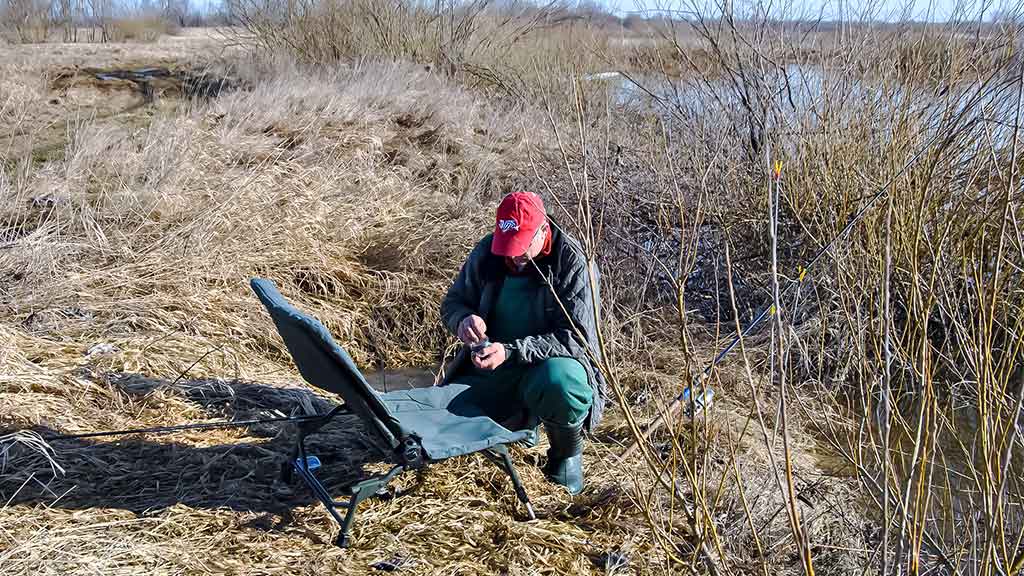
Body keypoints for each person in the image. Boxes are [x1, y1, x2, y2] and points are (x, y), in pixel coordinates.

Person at [439, 191, 607, 495]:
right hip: (493, 368)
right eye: (507, 247)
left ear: (543, 231)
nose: (512, 256)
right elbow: (453, 302)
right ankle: (519, 426)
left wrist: (512, 351)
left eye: (520, 247)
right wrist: (463, 320)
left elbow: (577, 338)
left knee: (563, 383)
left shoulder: (574, 262)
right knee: (442, 424)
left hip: (543, 370)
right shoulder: (488, 252)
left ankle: (565, 456)